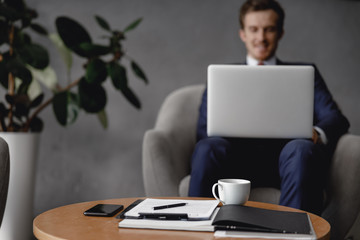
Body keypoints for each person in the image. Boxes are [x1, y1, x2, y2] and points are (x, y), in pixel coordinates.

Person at [188, 0, 350, 215]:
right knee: (207, 147)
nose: (261, 38)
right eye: (253, 30)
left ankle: (296, 233)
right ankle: (192, 230)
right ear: (242, 34)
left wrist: (317, 133)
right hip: (235, 166)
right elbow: (203, 131)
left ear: (281, 33)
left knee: (302, 149)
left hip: (290, 165)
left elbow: (335, 118)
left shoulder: (306, 73)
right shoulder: (222, 76)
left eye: (269, 29)